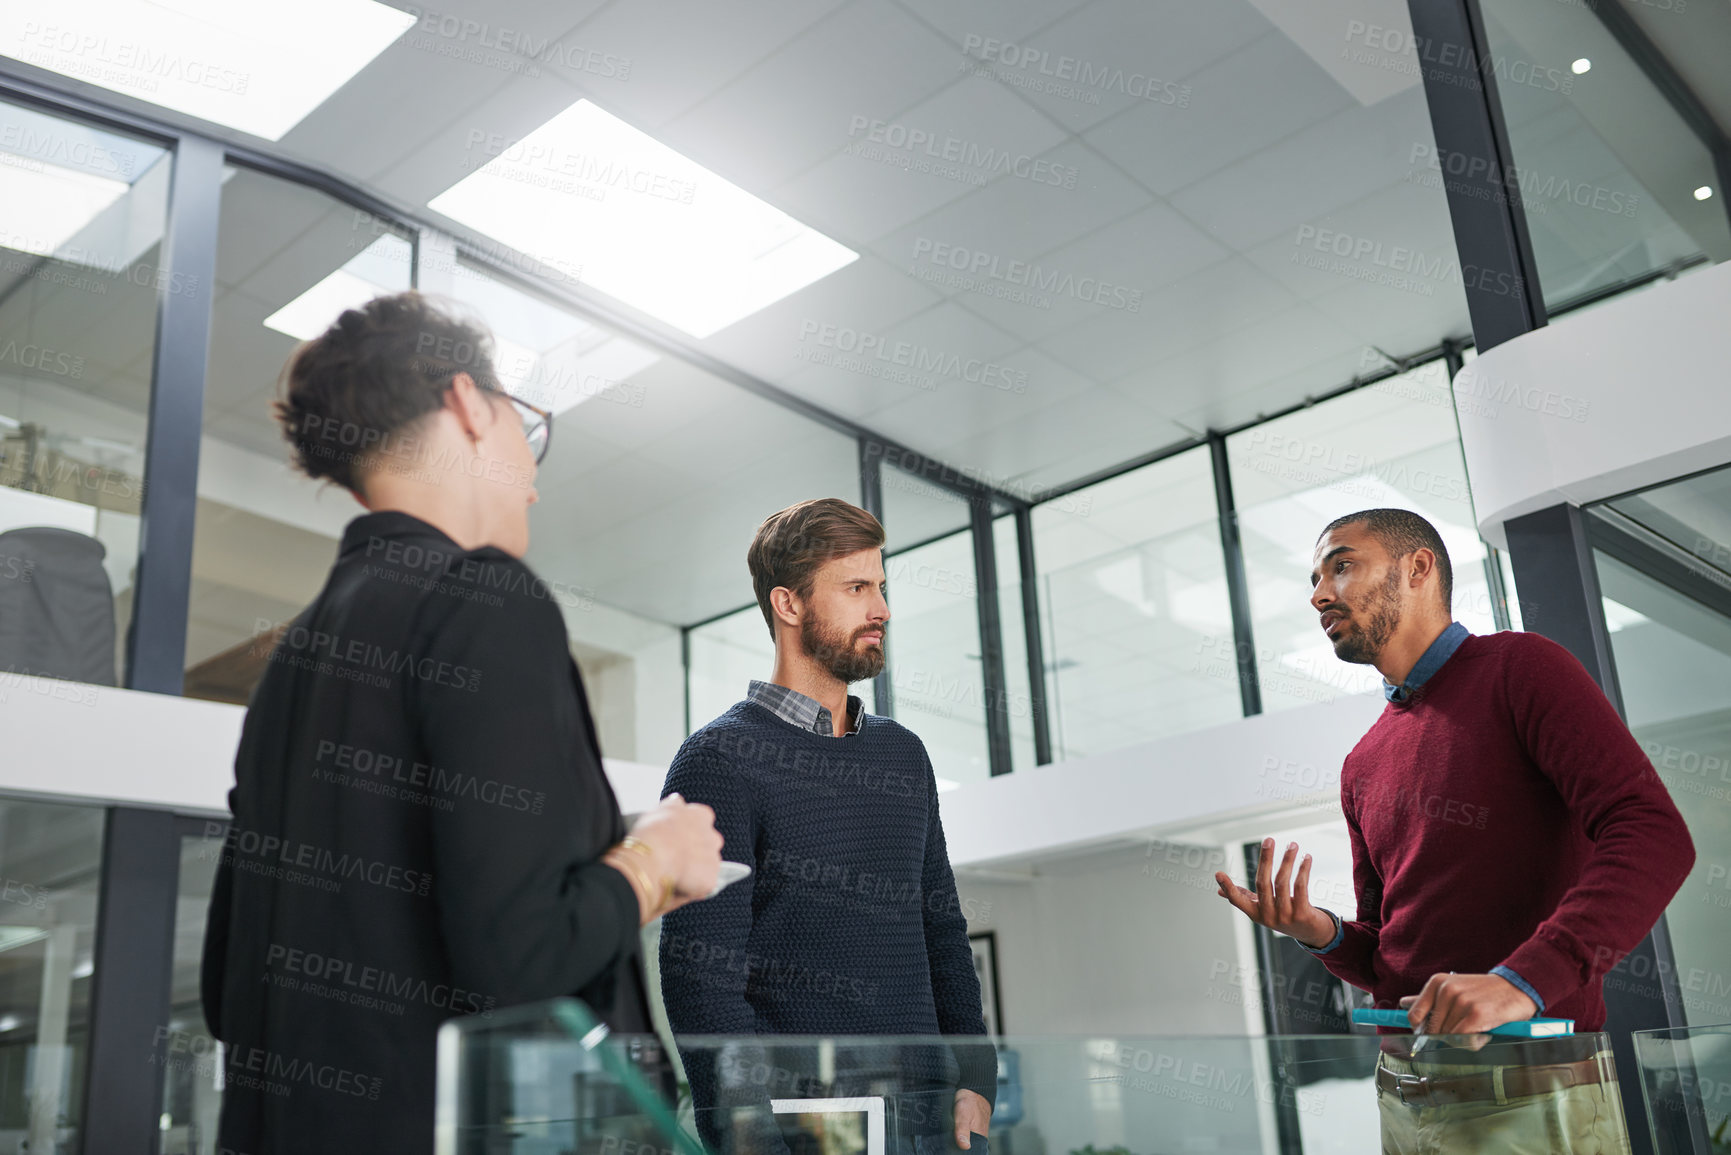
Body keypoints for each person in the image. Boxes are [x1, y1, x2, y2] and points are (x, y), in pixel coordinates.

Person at [200, 292, 723, 1154]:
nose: (534, 476)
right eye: (528, 429)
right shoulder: (485, 598)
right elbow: (519, 961)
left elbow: (229, 989)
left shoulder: (291, 663)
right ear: (468, 403)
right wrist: (653, 859)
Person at [1214, 507, 1694, 1152]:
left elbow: (1654, 834)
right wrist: (1321, 934)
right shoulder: (1363, 762)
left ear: (1418, 568)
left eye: (1342, 565)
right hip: (1403, 1090)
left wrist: (1519, 983)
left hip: (1526, 1084)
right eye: (1316, 577)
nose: (1319, 594)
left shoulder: (1522, 668)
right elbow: (1390, 954)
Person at [658, 498, 995, 1155]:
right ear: (788, 604)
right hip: (807, 1130)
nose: (882, 609)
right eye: (856, 587)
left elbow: (941, 928)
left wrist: (976, 1077)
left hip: (934, 1122)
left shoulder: (904, 753)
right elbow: (701, 979)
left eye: (881, 587)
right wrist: (750, 1137)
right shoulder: (718, 759)